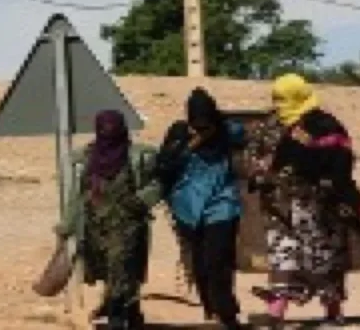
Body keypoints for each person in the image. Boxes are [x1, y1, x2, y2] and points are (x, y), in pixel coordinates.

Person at [245, 73, 360, 327]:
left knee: (320, 254)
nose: (277, 103)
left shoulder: (323, 123)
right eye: (275, 97)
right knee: (281, 253)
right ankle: (276, 313)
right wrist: (260, 169)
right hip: (276, 202)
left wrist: (314, 167)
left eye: (282, 98)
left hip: (316, 203)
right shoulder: (268, 125)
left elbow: (340, 160)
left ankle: (332, 309)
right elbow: (252, 156)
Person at [148, 87, 245, 329]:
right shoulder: (179, 132)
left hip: (222, 204)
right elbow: (163, 165)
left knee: (219, 261)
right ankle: (210, 310)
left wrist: (217, 132)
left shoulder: (227, 130)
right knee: (199, 263)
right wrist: (192, 143)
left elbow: (244, 137)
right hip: (187, 206)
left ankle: (227, 313)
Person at [54, 109, 157, 330]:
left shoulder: (139, 156)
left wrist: (141, 200)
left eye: (112, 128)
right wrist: (66, 226)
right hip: (95, 228)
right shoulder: (87, 158)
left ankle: (116, 318)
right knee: (109, 271)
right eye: (103, 128)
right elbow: (77, 195)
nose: (108, 133)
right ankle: (131, 310)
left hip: (127, 227)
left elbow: (158, 183)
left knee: (120, 269)